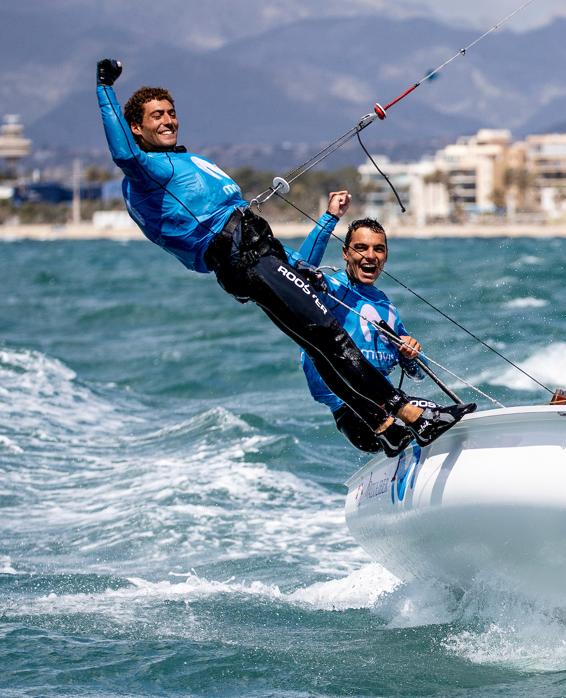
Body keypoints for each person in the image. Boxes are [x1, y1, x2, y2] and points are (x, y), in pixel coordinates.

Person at [94, 58, 473, 448]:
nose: (168, 121)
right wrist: (105, 87)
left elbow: (284, 255)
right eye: (156, 116)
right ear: (136, 128)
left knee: (320, 338)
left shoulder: (179, 162)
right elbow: (124, 155)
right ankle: (409, 414)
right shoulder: (145, 172)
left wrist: (309, 247)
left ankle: (384, 425)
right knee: (328, 334)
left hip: (259, 251)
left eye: (172, 113)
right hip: (243, 258)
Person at [297, 217, 440, 455]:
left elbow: (418, 373)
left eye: (378, 249)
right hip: (354, 413)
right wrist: (329, 218)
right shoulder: (329, 291)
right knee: (433, 418)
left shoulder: (386, 307)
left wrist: (411, 353)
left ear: (385, 256)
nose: (370, 256)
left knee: (442, 419)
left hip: (393, 406)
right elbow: (295, 273)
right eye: (361, 248)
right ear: (345, 253)